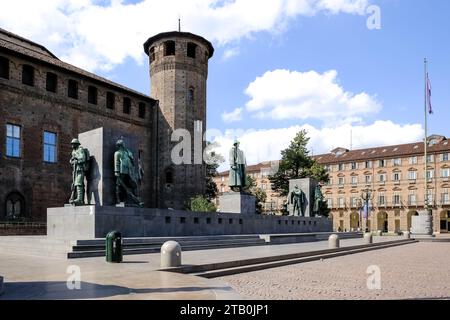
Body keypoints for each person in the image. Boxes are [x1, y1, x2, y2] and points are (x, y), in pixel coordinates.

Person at [114, 139, 143, 207]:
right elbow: (116, 163)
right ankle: (118, 200)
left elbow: (131, 160)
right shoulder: (117, 153)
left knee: (129, 185)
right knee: (119, 185)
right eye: (123, 143)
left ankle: (127, 200)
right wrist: (116, 172)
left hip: (128, 171)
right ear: (120, 145)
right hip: (121, 171)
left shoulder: (127, 152)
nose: (124, 144)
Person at [69, 139, 86, 205]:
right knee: (74, 184)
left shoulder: (80, 150)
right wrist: (72, 161)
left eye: (73, 144)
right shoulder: (73, 151)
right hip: (75, 169)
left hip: (80, 169)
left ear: (77, 144)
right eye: (72, 144)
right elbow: (71, 160)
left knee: (78, 183)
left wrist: (76, 159)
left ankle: (80, 199)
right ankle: (76, 197)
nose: (72, 145)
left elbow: (82, 158)